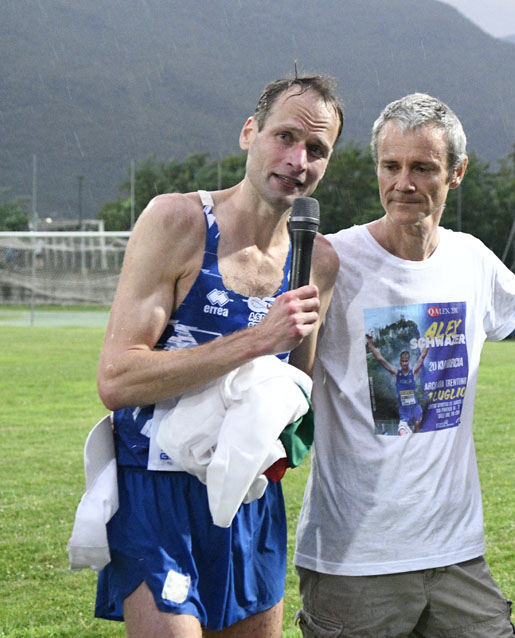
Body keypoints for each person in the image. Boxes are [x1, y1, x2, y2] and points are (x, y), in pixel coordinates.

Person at [292, 93, 515, 637]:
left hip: (455, 556)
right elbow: (288, 371)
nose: (403, 183)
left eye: (423, 168)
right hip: (355, 560)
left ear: (456, 173)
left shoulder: (472, 259)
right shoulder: (334, 261)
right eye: (390, 166)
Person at [93, 75, 343, 638]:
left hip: (252, 496)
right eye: (285, 136)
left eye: (317, 149)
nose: (297, 159)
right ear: (249, 133)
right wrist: (255, 340)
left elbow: (294, 390)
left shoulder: (318, 260)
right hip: (157, 489)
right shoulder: (178, 221)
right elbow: (117, 377)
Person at [366, 332, 430, 434]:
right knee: (401, 433)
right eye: (403, 361)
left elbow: (422, 357)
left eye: (406, 361)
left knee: (417, 431)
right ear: (400, 361)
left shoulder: (413, 372)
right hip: (404, 412)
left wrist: (428, 342)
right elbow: (380, 359)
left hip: (415, 409)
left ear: (408, 361)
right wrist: (370, 342)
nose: (404, 363)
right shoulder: (396, 373)